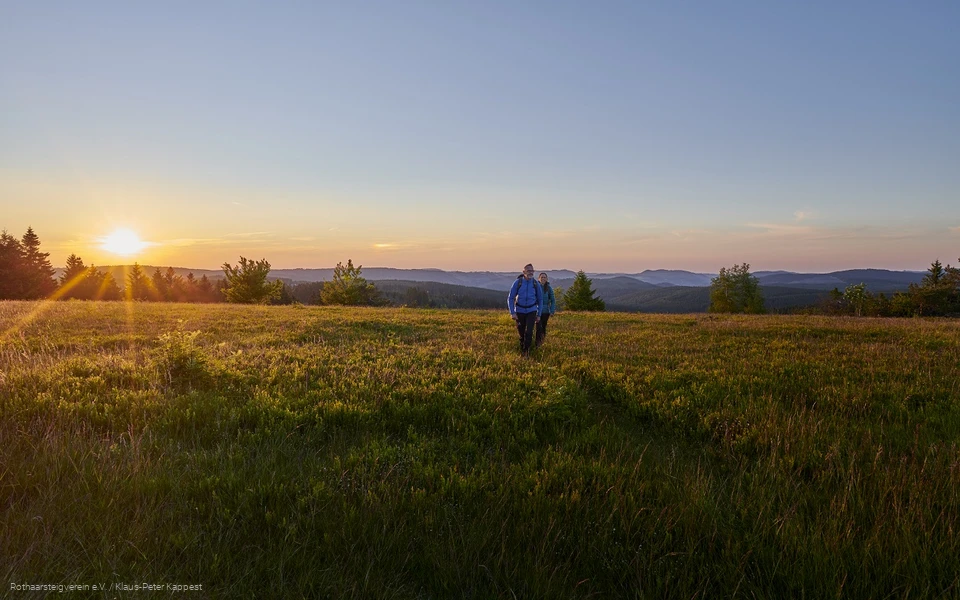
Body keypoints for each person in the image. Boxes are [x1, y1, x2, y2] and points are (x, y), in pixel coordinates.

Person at [508, 263, 542, 356]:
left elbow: (540, 299)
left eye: (532, 271)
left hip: (532, 310)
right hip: (519, 311)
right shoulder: (517, 282)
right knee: (521, 332)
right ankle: (522, 346)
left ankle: (526, 351)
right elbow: (511, 298)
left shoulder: (536, 284)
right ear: (524, 272)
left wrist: (539, 314)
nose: (531, 273)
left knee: (529, 331)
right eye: (528, 271)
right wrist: (512, 312)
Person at [535, 272, 556, 347]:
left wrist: (552, 310)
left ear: (546, 279)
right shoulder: (536, 287)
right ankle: (537, 343)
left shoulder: (549, 288)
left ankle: (542, 342)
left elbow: (553, 300)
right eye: (542, 277)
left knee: (543, 327)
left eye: (544, 277)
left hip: (546, 311)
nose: (543, 278)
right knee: (538, 327)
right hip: (537, 311)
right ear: (539, 279)